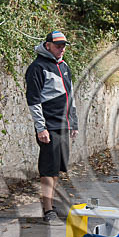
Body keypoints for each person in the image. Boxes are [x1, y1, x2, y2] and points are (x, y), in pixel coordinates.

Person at [25, 30, 78, 224]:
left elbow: (70, 96)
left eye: (64, 46)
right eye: (58, 45)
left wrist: (74, 122)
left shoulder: (64, 66)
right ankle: (47, 209)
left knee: (57, 168)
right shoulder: (37, 68)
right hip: (49, 125)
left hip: (63, 124)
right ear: (47, 45)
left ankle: (51, 204)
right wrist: (41, 128)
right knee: (48, 169)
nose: (62, 49)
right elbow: (33, 100)